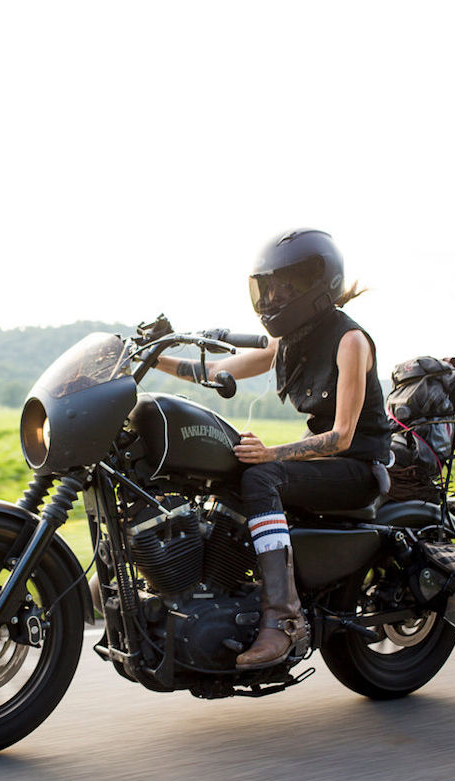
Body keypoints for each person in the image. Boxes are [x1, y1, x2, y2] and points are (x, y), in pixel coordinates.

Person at [156, 228, 391, 669]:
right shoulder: (289, 340)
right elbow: (219, 368)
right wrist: (154, 360)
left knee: (260, 474)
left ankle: (284, 619)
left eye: (285, 287)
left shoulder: (350, 341)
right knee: (228, 467)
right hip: (322, 463)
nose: (273, 297)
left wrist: (271, 455)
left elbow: (342, 437)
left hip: (357, 469)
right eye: (268, 287)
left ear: (315, 287)